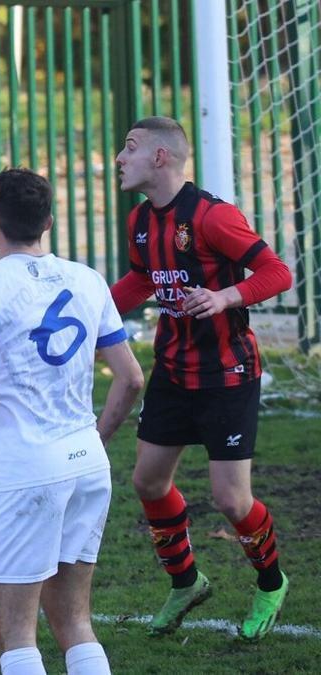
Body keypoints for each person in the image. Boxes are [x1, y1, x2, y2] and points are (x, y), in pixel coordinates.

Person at [0, 168, 145, 675]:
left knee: (17, 635)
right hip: (87, 464)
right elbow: (130, 379)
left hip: (25, 472)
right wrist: (95, 437)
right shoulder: (88, 279)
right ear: (51, 222)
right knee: (76, 622)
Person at [111, 116, 293, 641]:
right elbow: (144, 279)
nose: (120, 159)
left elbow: (277, 272)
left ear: (161, 158)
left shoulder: (213, 217)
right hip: (172, 365)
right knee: (147, 480)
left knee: (232, 499)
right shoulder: (140, 222)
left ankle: (271, 581)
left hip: (227, 371)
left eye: (130, 148)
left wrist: (224, 296)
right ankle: (186, 582)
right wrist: (88, 309)